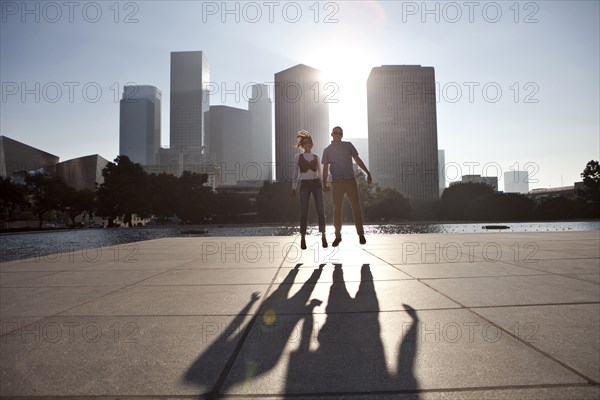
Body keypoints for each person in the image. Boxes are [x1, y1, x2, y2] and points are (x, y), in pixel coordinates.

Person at [322, 126, 372, 246]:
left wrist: (367, 172)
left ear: (342, 135)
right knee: (337, 210)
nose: (338, 135)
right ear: (332, 134)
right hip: (337, 182)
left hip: (350, 181)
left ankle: (361, 234)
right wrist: (324, 183)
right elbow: (325, 168)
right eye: (336, 133)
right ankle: (338, 236)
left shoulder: (348, 145)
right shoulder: (327, 150)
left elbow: (357, 159)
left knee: (356, 208)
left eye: (340, 133)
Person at [289, 130, 328, 250]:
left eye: (309, 142)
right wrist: (293, 189)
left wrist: (324, 185)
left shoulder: (317, 157)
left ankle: (323, 235)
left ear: (312, 143)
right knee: (304, 211)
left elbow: (320, 174)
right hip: (304, 185)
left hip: (317, 185)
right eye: (305, 142)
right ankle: (302, 238)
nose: (308, 144)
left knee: (320, 210)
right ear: (302, 145)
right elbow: (295, 175)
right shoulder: (298, 157)